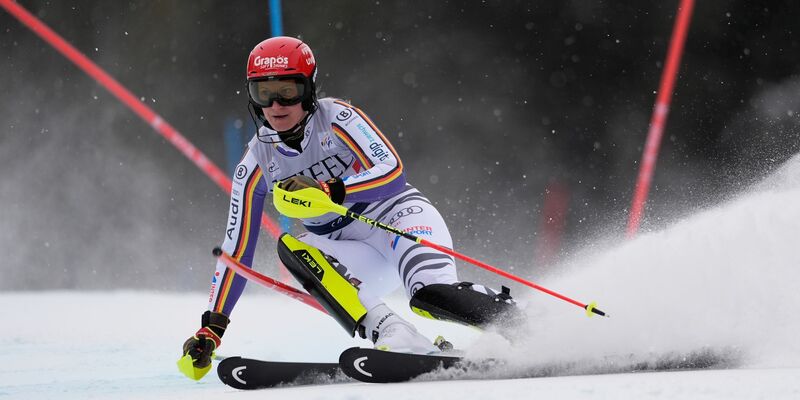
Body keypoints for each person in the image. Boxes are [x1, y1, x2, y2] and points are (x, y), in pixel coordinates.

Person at [180, 36, 523, 380]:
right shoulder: (256, 160)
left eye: (288, 90)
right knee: (295, 250)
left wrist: (330, 189)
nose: (275, 104)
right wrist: (212, 327)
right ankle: (395, 333)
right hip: (348, 250)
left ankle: (526, 326)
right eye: (262, 93)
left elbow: (392, 172)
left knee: (431, 297)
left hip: (398, 219)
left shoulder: (337, 117)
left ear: (309, 89)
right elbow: (236, 249)